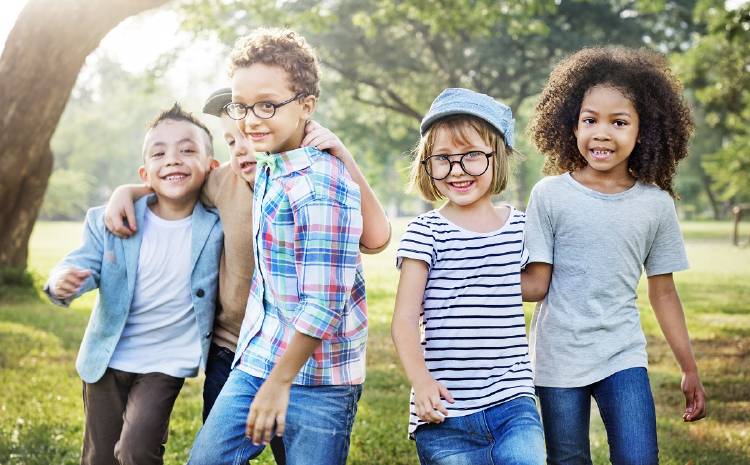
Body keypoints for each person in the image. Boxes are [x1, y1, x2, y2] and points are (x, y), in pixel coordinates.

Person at [104, 88, 390, 464]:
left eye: (248, 137)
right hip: (234, 353)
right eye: (230, 140)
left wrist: (343, 155)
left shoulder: (312, 182)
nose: (240, 148)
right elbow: (176, 183)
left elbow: (377, 237)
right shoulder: (223, 183)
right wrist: (128, 190)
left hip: (304, 354)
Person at [186, 28, 375, 465]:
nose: (251, 120)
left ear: (306, 106)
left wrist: (279, 383)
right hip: (259, 358)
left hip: (319, 379)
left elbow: (325, 303)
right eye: (243, 106)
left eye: (267, 105)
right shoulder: (271, 165)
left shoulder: (321, 183)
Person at [523, 47, 708, 465]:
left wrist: (689, 367)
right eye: (590, 120)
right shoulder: (549, 195)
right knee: (568, 460)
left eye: (619, 122)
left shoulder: (655, 204)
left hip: (621, 353)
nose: (601, 133)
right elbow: (536, 283)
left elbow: (663, 293)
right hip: (557, 357)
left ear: (644, 131)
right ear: (571, 126)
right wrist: (469, 280)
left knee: (639, 457)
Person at [44, 104, 223, 465]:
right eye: (159, 153)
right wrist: (63, 281)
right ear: (146, 173)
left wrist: (130, 188)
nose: (172, 160)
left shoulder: (218, 225)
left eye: (187, 150)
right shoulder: (110, 219)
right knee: (99, 456)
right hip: (108, 357)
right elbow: (84, 262)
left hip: (166, 362)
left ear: (212, 167)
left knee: (136, 450)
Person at [391, 87, 546, 465]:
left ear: (498, 157)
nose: (457, 170)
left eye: (472, 156)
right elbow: (405, 319)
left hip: (512, 400)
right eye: (443, 159)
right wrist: (421, 382)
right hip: (445, 411)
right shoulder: (425, 232)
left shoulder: (523, 227)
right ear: (427, 164)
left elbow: (536, 286)